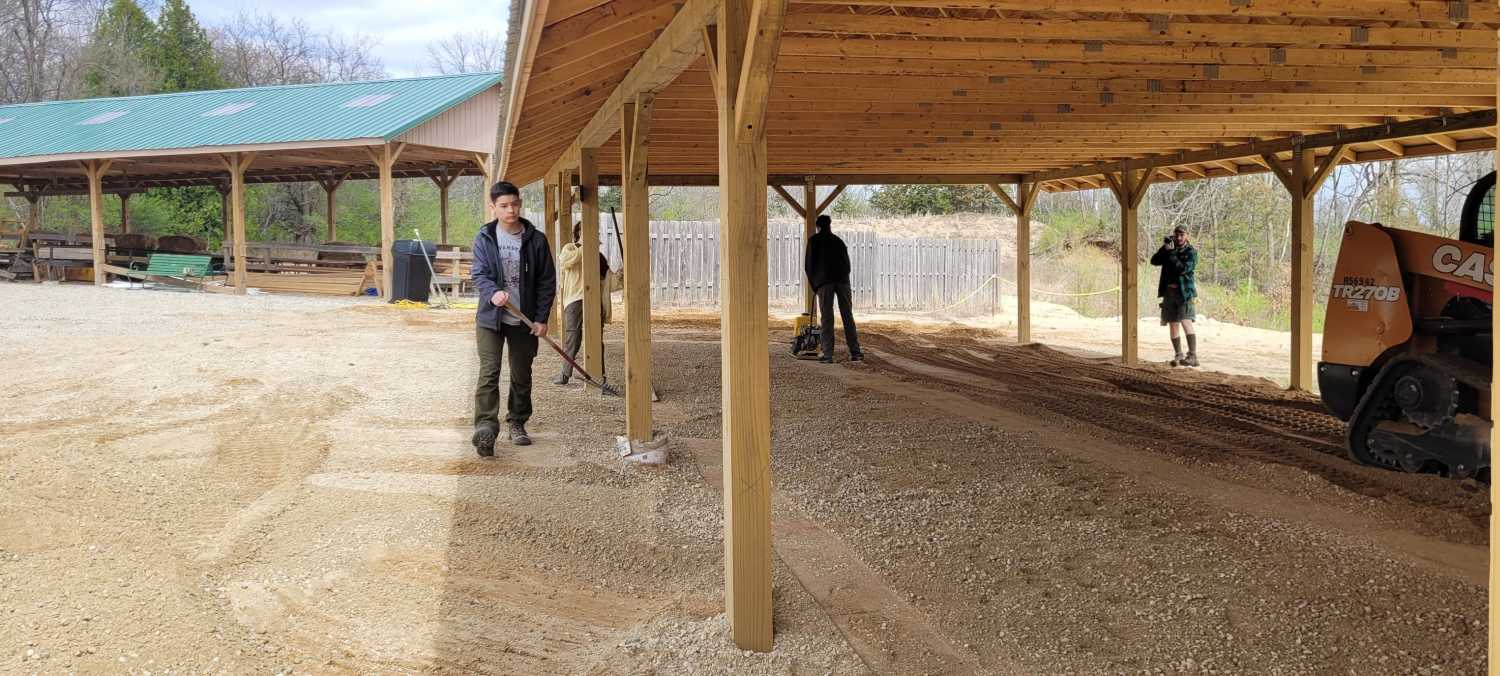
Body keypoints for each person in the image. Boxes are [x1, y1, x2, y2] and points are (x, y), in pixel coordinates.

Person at [471, 181, 556, 453]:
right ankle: (485, 428)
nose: (511, 210)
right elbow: (479, 274)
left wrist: (542, 318)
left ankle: (517, 421)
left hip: (524, 319)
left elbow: (546, 282)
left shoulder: (536, 239)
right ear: (493, 207)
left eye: (515, 204)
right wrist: (492, 292)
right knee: (489, 372)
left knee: (521, 373)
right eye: (504, 205)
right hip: (491, 318)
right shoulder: (485, 237)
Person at [552, 221, 611, 385]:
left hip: (594, 300)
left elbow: (608, 281)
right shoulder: (570, 248)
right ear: (578, 232)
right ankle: (565, 374)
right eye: (586, 230)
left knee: (596, 339)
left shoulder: (598, 256)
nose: (593, 233)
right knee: (573, 337)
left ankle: (600, 375)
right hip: (575, 300)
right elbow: (566, 261)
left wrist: (622, 275)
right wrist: (585, 245)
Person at [804, 214, 864, 363]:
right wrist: (844, 278)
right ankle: (855, 352)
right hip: (842, 280)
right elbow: (848, 264)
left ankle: (828, 354)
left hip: (824, 282)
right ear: (830, 225)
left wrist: (815, 286)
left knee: (827, 317)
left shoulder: (814, 241)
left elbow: (809, 266)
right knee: (847, 316)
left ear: (818, 226)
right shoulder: (839, 241)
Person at [1150, 225, 1199, 367]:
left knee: (1185, 321)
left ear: (1187, 235)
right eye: (1176, 235)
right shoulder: (1170, 249)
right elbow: (1154, 261)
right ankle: (1178, 355)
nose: (1178, 238)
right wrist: (1164, 248)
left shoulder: (1191, 252)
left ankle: (1193, 356)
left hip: (1184, 292)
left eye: (1182, 235)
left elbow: (1183, 269)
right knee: (1172, 324)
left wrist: (1171, 254)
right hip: (1169, 292)